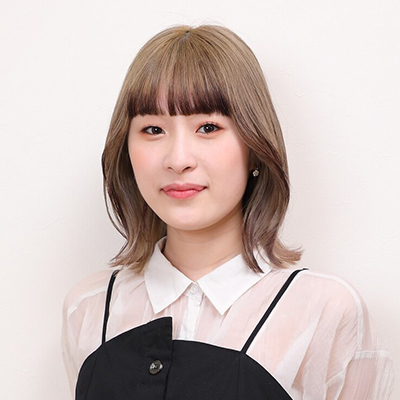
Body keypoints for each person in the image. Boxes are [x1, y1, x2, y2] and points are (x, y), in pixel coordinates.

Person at [62, 25, 394, 399]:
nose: (178, 159)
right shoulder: (89, 309)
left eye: (208, 127)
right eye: (153, 129)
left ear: (254, 146)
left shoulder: (326, 311)